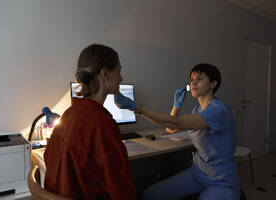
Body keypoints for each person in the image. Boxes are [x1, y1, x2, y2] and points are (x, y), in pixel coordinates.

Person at [114, 63, 240, 200]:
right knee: (150, 195)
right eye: (191, 80)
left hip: (221, 180)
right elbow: (171, 128)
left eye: (199, 79)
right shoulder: (198, 109)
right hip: (198, 173)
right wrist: (176, 106)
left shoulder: (218, 110)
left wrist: (137, 108)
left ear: (213, 84)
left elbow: (176, 123)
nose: (193, 83)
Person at [44, 44, 137, 200]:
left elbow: (48, 158)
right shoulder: (103, 124)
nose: (121, 78)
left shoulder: (69, 114)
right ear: (105, 74)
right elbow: (121, 190)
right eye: (119, 71)